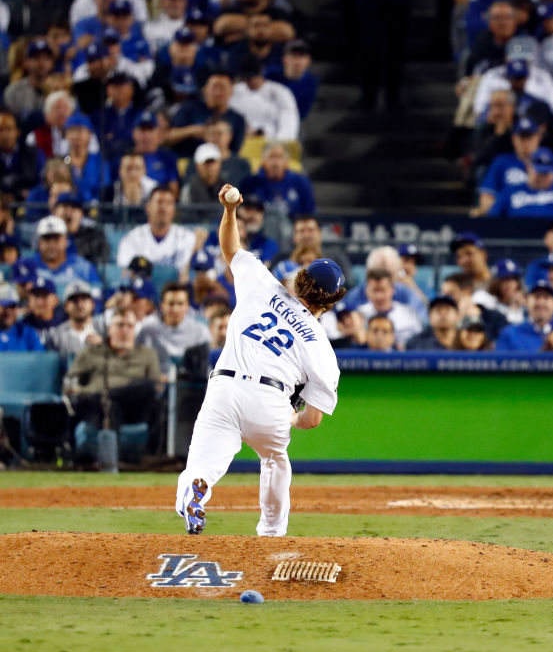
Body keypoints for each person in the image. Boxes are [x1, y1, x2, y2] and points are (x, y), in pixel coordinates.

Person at [175, 184, 345, 537]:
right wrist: (290, 417)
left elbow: (230, 246)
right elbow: (312, 420)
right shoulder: (321, 347)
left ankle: (196, 490)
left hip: (224, 386)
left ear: (301, 277)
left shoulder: (261, 281)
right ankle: (270, 532)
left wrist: (230, 210)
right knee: (275, 460)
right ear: (329, 304)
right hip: (271, 400)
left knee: (204, 461)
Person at [65, 305, 162, 457]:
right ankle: (112, 461)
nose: (125, 330)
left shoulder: (147, 354)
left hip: (133, 407)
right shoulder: (90, 353)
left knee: (147, 387)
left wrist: (106, 394)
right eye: (120, 325)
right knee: (108, 406)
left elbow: (156, 387)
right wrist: (85, 393)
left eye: (130, 326)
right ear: (109, 329)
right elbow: (70, 386)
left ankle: (107, 396)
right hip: (96, 406)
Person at [117, 184, 199, 277]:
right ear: (148, 208)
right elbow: (124, 274)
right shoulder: (131, 239)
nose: (163, 208)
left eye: (168, 203)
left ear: (174, 210)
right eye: (159, 202)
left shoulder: (187, 238)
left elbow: (186, 276)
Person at [487, 148, 553, 219]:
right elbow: (493, 220)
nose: (542, 177)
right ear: (528, 168)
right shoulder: (510, 192)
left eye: (546, 173)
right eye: (539, 172)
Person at [136, 283, 212, 372]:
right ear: (162, 305)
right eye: (171, 304)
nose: (175, 309)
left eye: (180, 304)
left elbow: (206, 365)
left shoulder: (200, 331)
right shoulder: (147, 328)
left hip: (191, 381)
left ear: (187, 306)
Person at [25, 215, 102, 297]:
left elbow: (96, 296)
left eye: (56, 238)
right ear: (39, 242)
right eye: (47, 239)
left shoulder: (83, 267)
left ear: (65, 241)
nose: (51, 244)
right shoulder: (27, 266)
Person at [495, 280, 553, 352]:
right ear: (527, 301)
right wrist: (547, 348)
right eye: (536, 297)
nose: (541, 302)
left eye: (546, 298)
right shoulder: (510, 334)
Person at [355, 269, 422, 349]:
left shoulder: (409, 314)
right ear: (367, 291)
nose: (379, 296)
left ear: (392, 290)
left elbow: (419, 341)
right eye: (375, 290)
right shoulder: (357, 315)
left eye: (382, 290)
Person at [46, 280, 103, 358]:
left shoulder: (104, 329)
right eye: (74, 300)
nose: (80, 305)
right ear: (66, 306)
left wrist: (103, 346)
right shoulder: (56, 336)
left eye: (84, 299)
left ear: (93, 304)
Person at [0, 283, 45, 352]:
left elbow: (40, 358)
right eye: (4, 307)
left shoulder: (26, 331)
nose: (8, 312)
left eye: (12, 307)